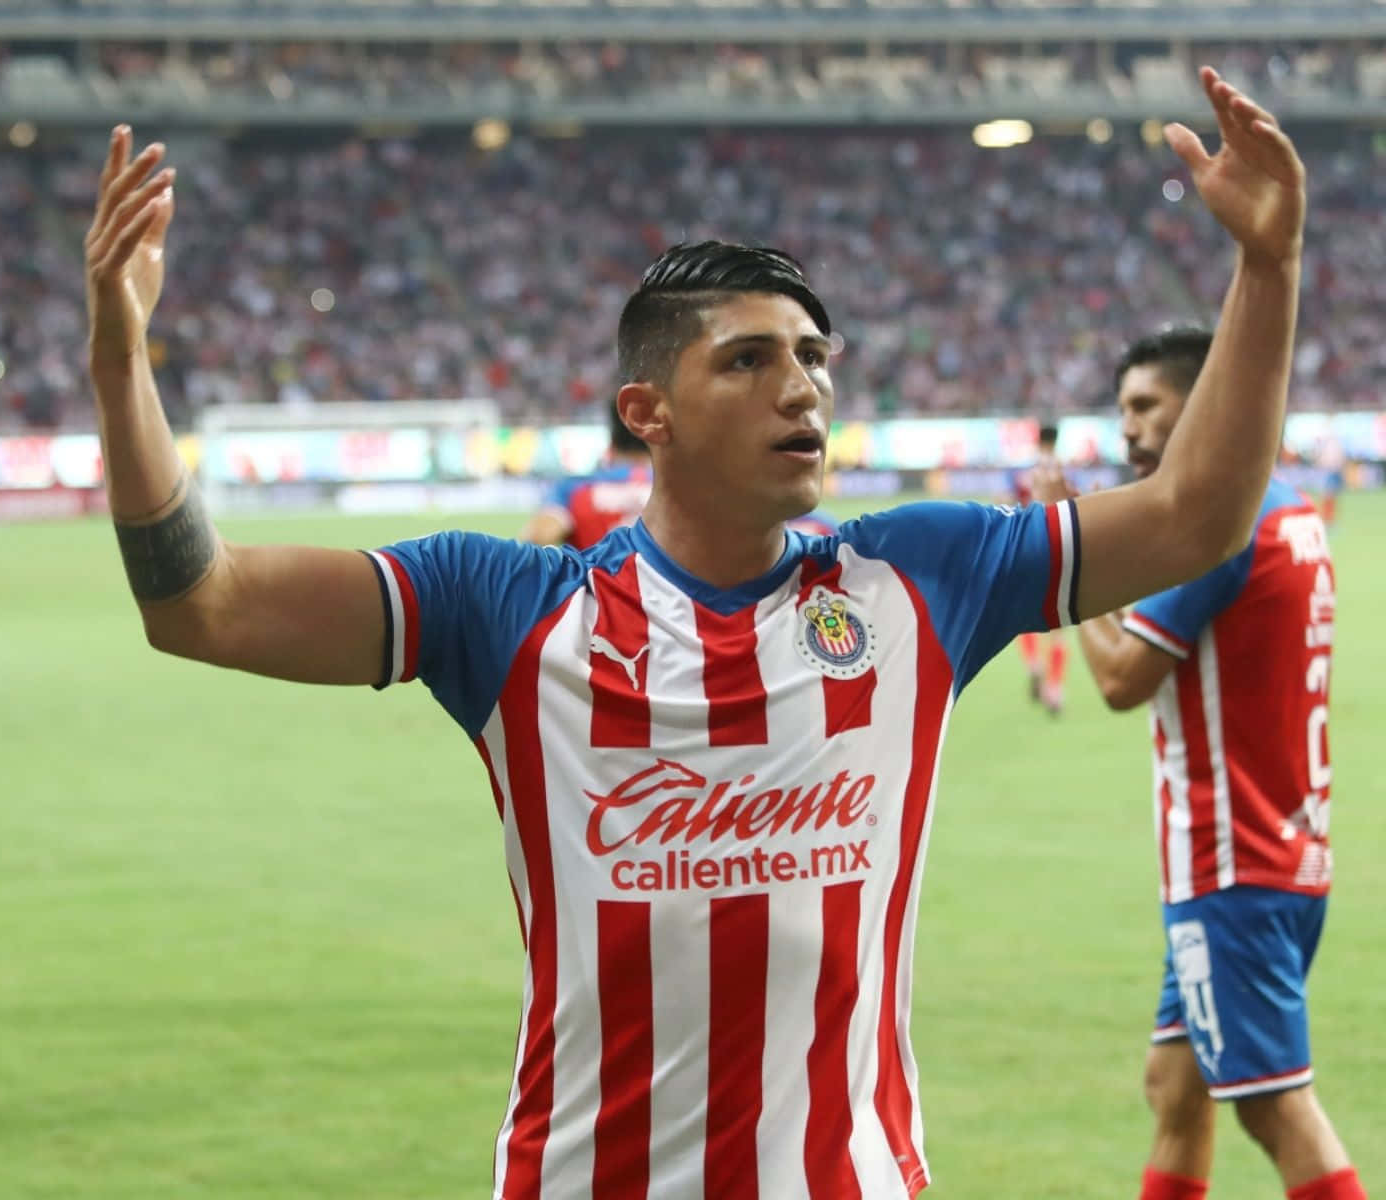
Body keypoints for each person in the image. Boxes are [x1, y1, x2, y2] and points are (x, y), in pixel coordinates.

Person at [84, 67, 1307, 1197]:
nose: (802, 386)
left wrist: (1267, 264)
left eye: (814, 356)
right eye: (749, 360)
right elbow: (203, 604)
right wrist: (120, 355)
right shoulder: (506, 609)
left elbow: (1195, 513)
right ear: (647, 411)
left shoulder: (918, 576)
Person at [1032, 327, 1365, 1200]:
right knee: (1176, 1089)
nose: (1129, 428)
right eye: (1123, 409)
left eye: (1147, 405)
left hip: (1231, 861)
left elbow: (1120, 680)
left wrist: (1059, 545)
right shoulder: (1289, 510)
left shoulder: (1220, 525)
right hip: (1286, 847)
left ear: (1205, 400)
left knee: (1273, 1107)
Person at [520, 398, 838, 549]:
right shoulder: (689, 485)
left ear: (611, 444)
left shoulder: (575, 490)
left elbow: (537, 539)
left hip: (602, 621)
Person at [1011, 421, 1069, 714]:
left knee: (1025, 617)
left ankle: (1033, 663)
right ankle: (1054, 689)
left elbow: (1013, 506)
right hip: (1057, 551)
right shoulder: (1061, 472)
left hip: (1028, 549)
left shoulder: (1027, 472)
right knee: (1058, 627)